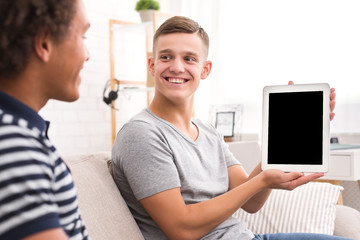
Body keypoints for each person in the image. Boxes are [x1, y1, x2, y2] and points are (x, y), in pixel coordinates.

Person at [112, 16, 347, 240]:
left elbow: (251, 202)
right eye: (166, 57)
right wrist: (263, 180)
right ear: (152, 66)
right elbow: (181, 230)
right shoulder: (141, 134)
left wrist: (288, 134)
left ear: (205, 69)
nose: (176, 67)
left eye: (189, 59)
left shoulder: (208, 131)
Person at [0, 0, 90, 239]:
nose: (87, 55)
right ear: (44, 43)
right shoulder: (14, 146)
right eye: (83, 37)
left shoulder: (19, 133)